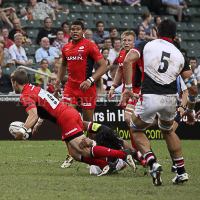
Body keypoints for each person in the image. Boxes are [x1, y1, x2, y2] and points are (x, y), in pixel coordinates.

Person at [11, 68, 136, 177]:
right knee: (75, 154)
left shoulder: (25, 95)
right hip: (69, 113)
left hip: (65, 118)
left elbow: (33, 114)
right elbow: (43, 107)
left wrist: (22, 130)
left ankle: (123, 154)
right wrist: (36, 124)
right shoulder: (33, 88)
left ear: (15, 83)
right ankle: (107, 165)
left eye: (12, 84)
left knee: (84, 150)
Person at [120, 19, 198, 185]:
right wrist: (190, 110)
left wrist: (127, 88)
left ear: (156, 32)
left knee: (135, 130)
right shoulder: (180, 55)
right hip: (170, 99)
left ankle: (152, 162)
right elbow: (193, 89)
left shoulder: (146, 45)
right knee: (168, 131)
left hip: (149, 96)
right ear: (175, 35)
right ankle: (181, 172)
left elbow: (127, 60)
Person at [54, 20, 107, 168]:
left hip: (87, 88)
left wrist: (90, 80)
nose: (75, 32)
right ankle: (71, 154)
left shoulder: (90, 45)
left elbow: (103, 66)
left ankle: (93, 154)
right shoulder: (66, 48)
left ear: (83, 31)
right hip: (71, 87)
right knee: (67, 121)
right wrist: (59, 80)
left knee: (89, 125)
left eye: (78, 29)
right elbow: (63, 65)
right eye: (73, 29)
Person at [108, 30, 144, 165]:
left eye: (129, 40)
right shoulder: (122, 53)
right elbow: (119, 71)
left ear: (134, 42)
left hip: (136, 91)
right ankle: (140, 152)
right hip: (126, 91)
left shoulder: (136, 55)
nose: (126, 42)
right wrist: (113, 87)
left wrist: (142, 91)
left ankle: (138, 152)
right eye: (124, 40)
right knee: (131, 125)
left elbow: (143, 73)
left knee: (129, 119)